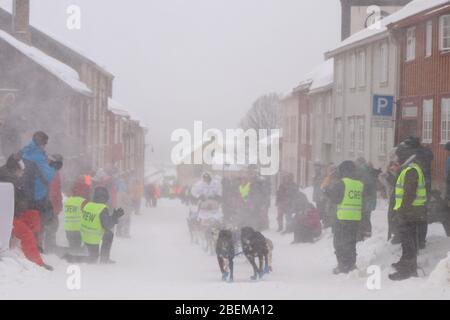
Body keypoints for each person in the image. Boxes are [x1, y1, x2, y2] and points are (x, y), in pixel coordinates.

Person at [389, 148, 427, 281]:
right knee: (407, 240)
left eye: (398, 159)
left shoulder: (411, 171)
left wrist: (402, 211)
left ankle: (408, 270)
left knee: (408, 241)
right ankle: (406, 263)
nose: (396, 161)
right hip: (412, 211)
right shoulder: (410, 169)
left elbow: (409, 194)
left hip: (410, 212)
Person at [324, 161, 364, 274]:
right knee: (351, 242)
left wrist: (326, 191)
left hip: (343, 217)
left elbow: (336, 198)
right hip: (355, 218)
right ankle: (351, 264)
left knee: (340, 242)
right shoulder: (359, 184)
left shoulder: (343, 183)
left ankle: (342, 265)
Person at [19, 132, 56, 252]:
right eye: (45, 143)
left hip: (25, 192)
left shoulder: (25, 151)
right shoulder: (38, 156)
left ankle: (29, 245)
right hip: (38, 193)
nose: (45, 146)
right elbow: (48, 176)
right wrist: (52, 166)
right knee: (40, 220)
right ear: (42, 143)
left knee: (27, 219)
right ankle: (36, 247)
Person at [80, 186, 124, 264]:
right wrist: (115, 216)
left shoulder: (88, 205)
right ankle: (104, 259)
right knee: (109, 234)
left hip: (85, 236)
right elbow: (107, 225)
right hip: (93, 238)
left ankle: (88, 254)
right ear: (106, 198)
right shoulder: (102, 208)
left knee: (91, 257)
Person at [355, 158, 377, 241]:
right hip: (370, 198)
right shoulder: (369, 171)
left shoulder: (362, 171)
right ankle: (367, 233)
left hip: (366, 198)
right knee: (366, 215)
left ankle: (363, 234)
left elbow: (364, 184)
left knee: (363, 216)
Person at [45, 154, 64, 253]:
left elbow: (57, 190)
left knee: (53, 225)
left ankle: (51, 244)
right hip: (50, 204)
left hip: (52, 204)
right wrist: (56, 205)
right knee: (51, 225)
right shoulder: (52, 172)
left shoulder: (54, 171)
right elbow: (54, 190)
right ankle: (49, 246)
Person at [63, 179, 89, 251]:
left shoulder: (68, 200)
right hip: (78, 229)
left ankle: (69, 259)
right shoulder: (83, 201)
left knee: (72, 246)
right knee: (77, 248)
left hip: (68, 228)